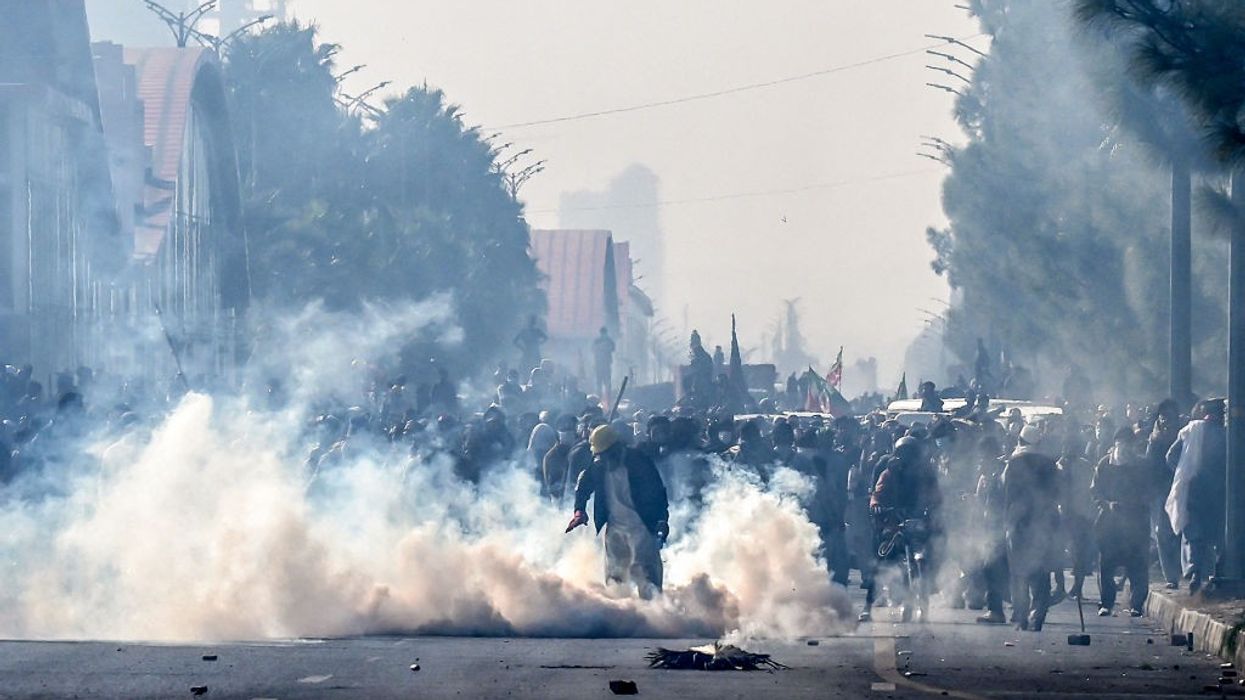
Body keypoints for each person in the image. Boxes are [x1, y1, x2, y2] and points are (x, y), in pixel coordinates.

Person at [567, 425, 670, 598]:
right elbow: (583, 486)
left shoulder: (639, 462)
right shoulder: (599, 465)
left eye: (606, 454)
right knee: (615, 574)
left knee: (646, 574)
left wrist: (662, 520)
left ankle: (655, 614)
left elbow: (658, 492)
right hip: (614, 526)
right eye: (600, 455)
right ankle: (620, 614)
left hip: (642, 526)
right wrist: (579, 510)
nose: (603, 459)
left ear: (617, 448)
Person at [1002, 423, 1060, 631]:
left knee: (1018, 571)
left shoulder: (1014, 463)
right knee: (1041, 569)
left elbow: (1008, 496)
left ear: (1020, 441)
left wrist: (1006, 522)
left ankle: (1021, 614)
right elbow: (1057, 493)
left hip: (1019, 523)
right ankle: (1038, 613)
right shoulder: (1050, 464)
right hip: (1044, 522)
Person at [1166, 399, 1227, 594]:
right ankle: (1216, 574)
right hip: (1218, 491)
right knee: (1216, 533)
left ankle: (1195, 572)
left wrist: (1183, 472)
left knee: (1193, 533)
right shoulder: (1226, 434)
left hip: (1194, 489)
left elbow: (1171, 456)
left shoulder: (1191, 430)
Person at [1091, 427, 1152, 616]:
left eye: (1128, 442)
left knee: (1138, 566)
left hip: (1136, 523)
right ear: (1115, 443)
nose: (1124, 446)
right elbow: (1095, 491)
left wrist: (1135, 504)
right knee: (1107, 565)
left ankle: (1136, 605)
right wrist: (1108, 504)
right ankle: (1106, 603)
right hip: (1110, 524)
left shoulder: (1141, 466)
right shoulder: (1104, 464)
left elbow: (1148, 493)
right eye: (1121, 441)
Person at [1146, 399, 1184, 589]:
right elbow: (1149, 467)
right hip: (1160, 492)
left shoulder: (1184, 435)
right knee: (1162, 533)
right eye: (1163, 416)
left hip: (1181, 488)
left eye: (1170, 416)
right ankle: (1171, 576)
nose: (1166, 421)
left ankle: (1182, 570)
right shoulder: (1153, 439)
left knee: (1180, 530)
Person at [592, 327, 616, 397]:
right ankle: (601, 395)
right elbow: (593, 350)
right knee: (601, 381)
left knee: (605, 381)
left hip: (604, 364)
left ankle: (607, 395)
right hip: (601, 364)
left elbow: (613, 348)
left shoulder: (607, 341)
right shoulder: (600, 341)